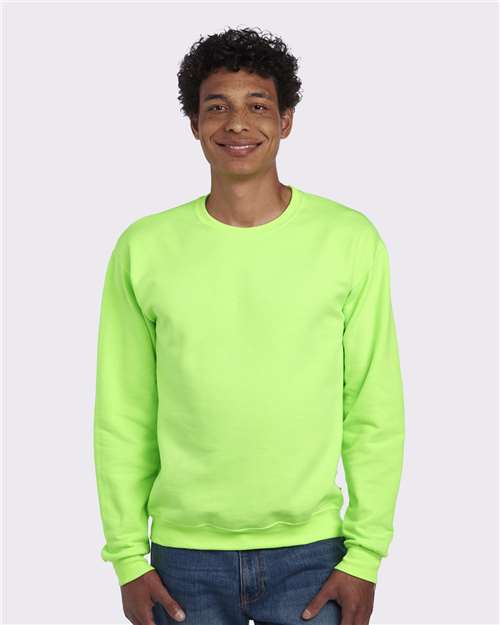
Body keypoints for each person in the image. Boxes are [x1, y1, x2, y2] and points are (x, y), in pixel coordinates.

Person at [93, 26, 405, 625]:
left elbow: (373, 407)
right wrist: (129, 559)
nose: (237, 123)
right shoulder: (144, 248)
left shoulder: (348, 240)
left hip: (314, 555)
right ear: (194, 123)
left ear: (286, 121)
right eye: (217, 107)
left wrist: (365, 555)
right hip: (182, 560)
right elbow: (123, 414)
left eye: (258, 106)